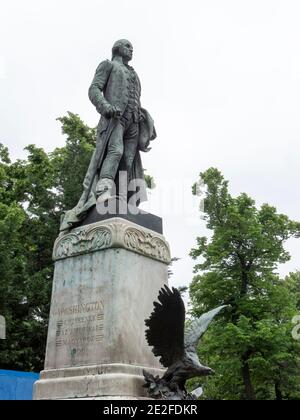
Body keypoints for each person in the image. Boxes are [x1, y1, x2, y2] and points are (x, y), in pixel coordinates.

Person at [59, 39, 156, 233]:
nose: (131, 49)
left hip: (133, 122)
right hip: (114, 119)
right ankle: (103, 192)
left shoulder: (134, 74)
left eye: (132, 46)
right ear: (117, 48)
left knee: (128, 161)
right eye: (128, 46)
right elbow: (94, 89)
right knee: (115, 152)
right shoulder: (108, 65)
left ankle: (120, 198)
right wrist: (105, 107)